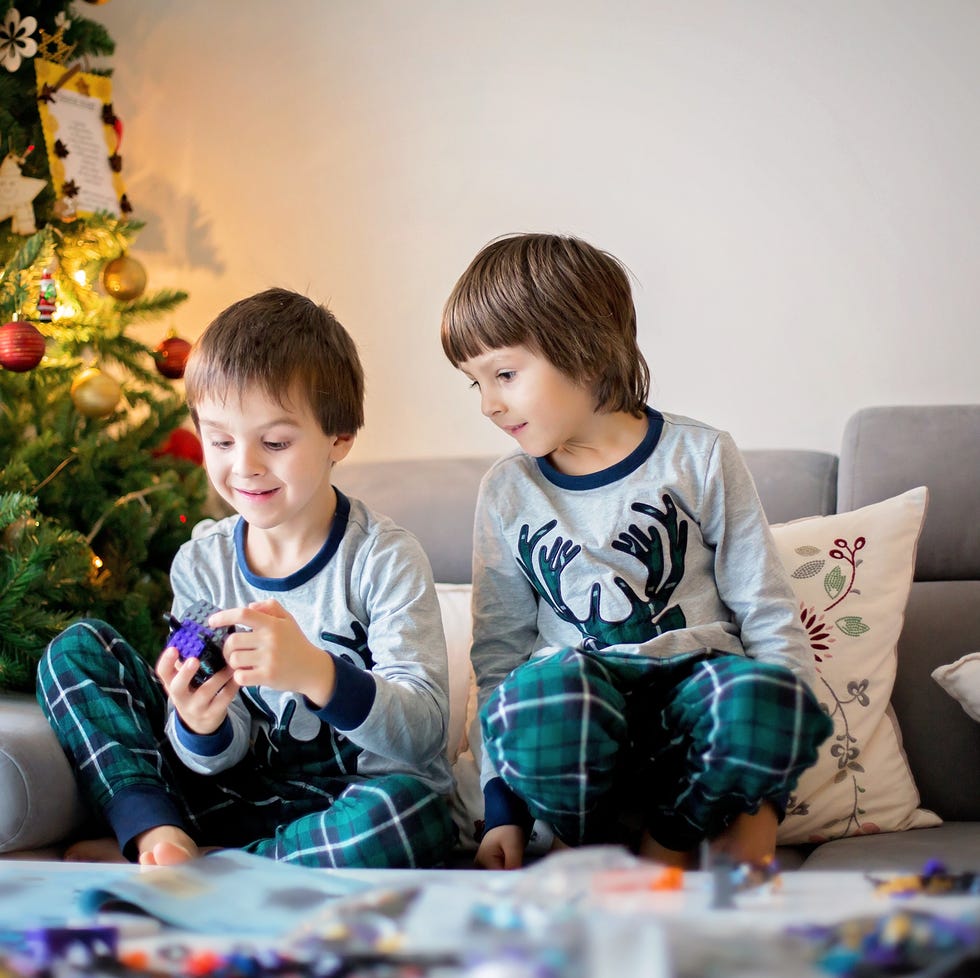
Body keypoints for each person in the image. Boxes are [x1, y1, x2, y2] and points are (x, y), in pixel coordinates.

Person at [440, 233, 833, 871]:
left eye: (505, 374)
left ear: (587, 351)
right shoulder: (508, 491)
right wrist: (502, 811)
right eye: (474, 384)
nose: (488, 404)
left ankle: (670, 843)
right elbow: (498, 659)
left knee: (772, 692)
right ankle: (581, 847)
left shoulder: (699, 456)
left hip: (693, 720)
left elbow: (767, 614)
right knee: (539, 694)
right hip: (579, 727)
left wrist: (766, 800)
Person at [37, 287, 455, 869]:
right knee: (76, 650)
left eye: (276, 442)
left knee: (412, 811)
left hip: (346, 803)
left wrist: (316, 672)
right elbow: (211, 745)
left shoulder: (384, 559)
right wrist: (197, 721)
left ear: (339, 437)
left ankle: (214, 865)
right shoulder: (201, 562)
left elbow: (423, 736)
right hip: (231, 797)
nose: (245, 465)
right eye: (221, 440)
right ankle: (158, 832)